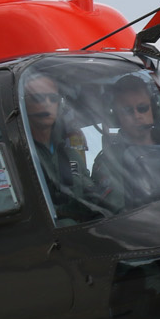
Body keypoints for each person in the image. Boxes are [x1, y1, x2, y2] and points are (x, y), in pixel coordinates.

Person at [23, 72, 103, 223]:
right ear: (22, 104)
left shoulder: (69, 154)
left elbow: (90, 197)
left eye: (52, 98)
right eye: (37, 98)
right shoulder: (11, 156)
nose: (46, 103)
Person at [92, 73, 160, 209]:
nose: (137, 116)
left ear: (154, 109)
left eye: (143, 108)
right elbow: (114, 210)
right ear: (116, 117)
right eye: (127, 111)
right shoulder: (109, 161)